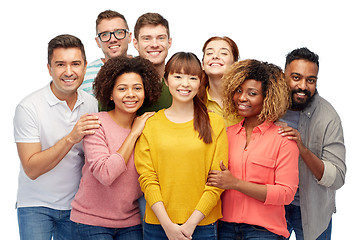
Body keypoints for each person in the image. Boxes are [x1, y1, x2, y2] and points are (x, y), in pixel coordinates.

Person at [13, 34, 99, 239]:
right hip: (35, 206)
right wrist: (71, 138)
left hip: (76, 206)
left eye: (75, 64)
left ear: (85, 66)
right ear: (49, 68)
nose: (69, 72)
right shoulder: (28, 107)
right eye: (60, 64)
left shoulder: (91, 104)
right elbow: (31, 169)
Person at [135, 52, 228, 240]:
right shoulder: (151, 124)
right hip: (158, 225)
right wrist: (167, 225)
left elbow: (217, 181)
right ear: (166, 80)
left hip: (201, 225)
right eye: (177, 76)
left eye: (192, 78)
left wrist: (191, 224)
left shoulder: (215, 123)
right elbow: (147, 178)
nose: (185, 84)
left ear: (200, 81)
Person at [70, 56, 162, 239]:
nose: (130, 94)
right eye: (122, 89)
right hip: (91, 222)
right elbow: (106, 174)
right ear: (110, 94)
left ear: (146, 92)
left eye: (137, 88)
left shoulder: (149, 126)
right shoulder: (96, 123)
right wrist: (133, 134)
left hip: (131, 222)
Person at [207, 59, 299, 239]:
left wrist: (235, 184)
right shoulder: (226, 134)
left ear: (267, 98)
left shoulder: (284, 139)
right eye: (239, 91)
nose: (242, 98)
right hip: (225, 228)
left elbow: (286, 194)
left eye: (252, 93)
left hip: (264, 231)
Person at [278, 47, 346, 240]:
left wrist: (302, 148)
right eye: (296, 77)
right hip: (274, 207)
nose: (303, 86)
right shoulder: (269, 106)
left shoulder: (328, 117)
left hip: (312, 209)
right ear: (284, 76)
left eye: (311, 80)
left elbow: (337, 177)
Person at [80, 10, 132, 96]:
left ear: (129, 37)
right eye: (105, 34)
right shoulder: (84, 75)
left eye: (119, 32)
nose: (113, 39)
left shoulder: (144, 68)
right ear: (97, 41)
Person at [133, 12, 173, 114]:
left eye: (160, 38)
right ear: (136, 44)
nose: (154, 44)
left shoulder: (180, 83)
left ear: (169, 42)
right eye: (147, 38)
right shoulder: (122, 83)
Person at [199, 36, 242, 127]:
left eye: (223, 53)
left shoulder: (246, 100)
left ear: (235, 64)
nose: (215, 56)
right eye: (209, 53)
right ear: (203, 64)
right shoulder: (195, 101)